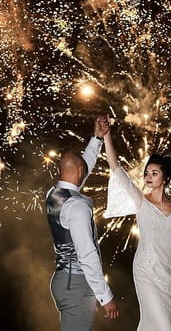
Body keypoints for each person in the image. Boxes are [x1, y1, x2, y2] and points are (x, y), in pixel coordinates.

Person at [100, 116, 171, 330]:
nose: (148, 177)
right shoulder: (141, 200)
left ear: (165, 179)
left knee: (169, 326)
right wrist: (106, 137)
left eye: (154, 173)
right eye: (147, 173)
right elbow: (116, 169)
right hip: (146, 270)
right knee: (161, 325)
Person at [47, 117, 119, 330]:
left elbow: (81, 167)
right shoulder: (78, 206)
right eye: (83, 170)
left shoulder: (54, 194)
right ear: (79, 171)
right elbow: (86, 254)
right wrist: (106, 297)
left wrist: (97, 138)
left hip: (63, 280)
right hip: (76, 284)